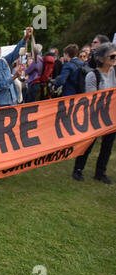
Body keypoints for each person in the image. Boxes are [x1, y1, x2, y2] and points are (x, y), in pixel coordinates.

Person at [72, 42, 116, 184]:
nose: (115, 58)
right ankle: (78, 169)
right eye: (112, 56)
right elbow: (91, 97)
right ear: (102, 59)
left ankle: (100, 172)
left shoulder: (114, 73)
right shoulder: (92, 75)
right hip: (95, 116)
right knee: (88, 144)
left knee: (107, 146)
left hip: (111, 116)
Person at [0, 27, 33, 107]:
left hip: (13, 99)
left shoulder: (3, 61)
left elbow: (16, 52)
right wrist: (13, 78)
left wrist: (25, 37)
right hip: (0, 103)